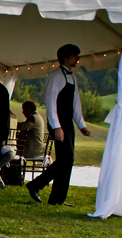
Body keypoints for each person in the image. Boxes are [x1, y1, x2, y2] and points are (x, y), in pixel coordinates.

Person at [27, 43, 91, 206]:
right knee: (65, 159)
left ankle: (57, 198)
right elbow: (50, 102)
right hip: (58, 121)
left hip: (67, 121)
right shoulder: (55, 76)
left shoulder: (73, 77)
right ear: (65, 57)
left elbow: (76, 104)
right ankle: (36, 184)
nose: (77, 58)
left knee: (67, 160)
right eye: (74, 55)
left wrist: (81, 125)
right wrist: (56, 126)